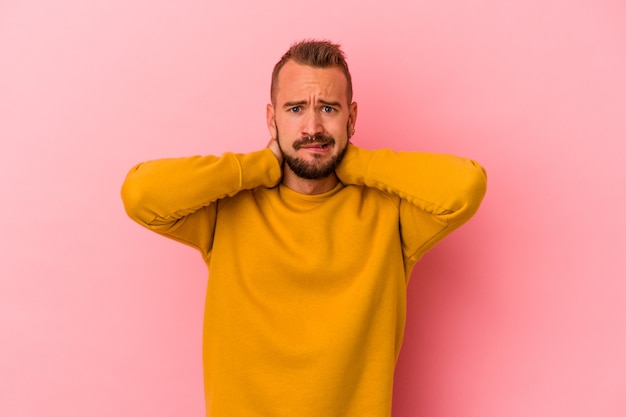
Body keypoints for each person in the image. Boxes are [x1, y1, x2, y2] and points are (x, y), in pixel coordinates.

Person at [121, 39, 487, 417]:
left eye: (328, 108)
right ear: (271, 118)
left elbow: (465, 187)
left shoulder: (390, 216)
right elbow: (140, 193)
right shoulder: (226, 211)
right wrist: (260, 165)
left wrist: (355, 162)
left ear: (352, 118)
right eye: (296, 109)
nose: (313, 127)